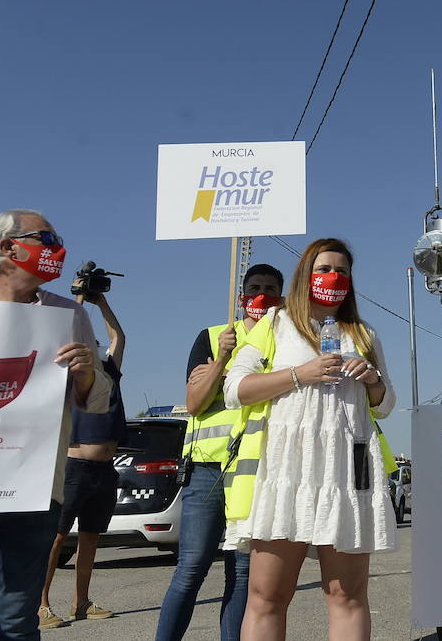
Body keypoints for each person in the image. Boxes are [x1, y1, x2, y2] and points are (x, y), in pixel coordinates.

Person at [0, 210, 110, 641]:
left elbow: (95, 402)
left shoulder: (69, 316)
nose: (57, 248)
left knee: (15, 622)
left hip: (28, 494)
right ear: (8, 247)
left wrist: (87, 373)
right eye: (46, 237)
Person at [223, 239, 396, 641]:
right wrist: (301, 374)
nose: (333, 277)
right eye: (323, 269)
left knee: (347, 593)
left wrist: (372, 378)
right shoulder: (275, 323)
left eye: (342, 271)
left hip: (349, 470)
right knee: (268, 595)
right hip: (286, 469)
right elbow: (236, 390)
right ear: (305, 275)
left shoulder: (364, 333)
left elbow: (385, 405)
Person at [154, 263, 284, 641]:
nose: (261, 295)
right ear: (242, 295)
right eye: (255, 287)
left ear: (282, 296)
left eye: (271, 289)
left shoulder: (283, 340)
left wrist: (231, 381)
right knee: (191, 568)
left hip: (254, 470)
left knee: (242, 573)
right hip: (207, 470)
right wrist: (224, 361)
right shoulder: (212, 337)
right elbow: (195, 403)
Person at [38, 274, 128, 629]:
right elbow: (65, 331)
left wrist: (99, 300)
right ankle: (41, 604)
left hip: (104, 469)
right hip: (73, 465)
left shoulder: (108, 370)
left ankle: (82, 601)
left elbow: (118, 336)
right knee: (57, 537)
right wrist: (76, 299)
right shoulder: (67, 370)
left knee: (91, 536)